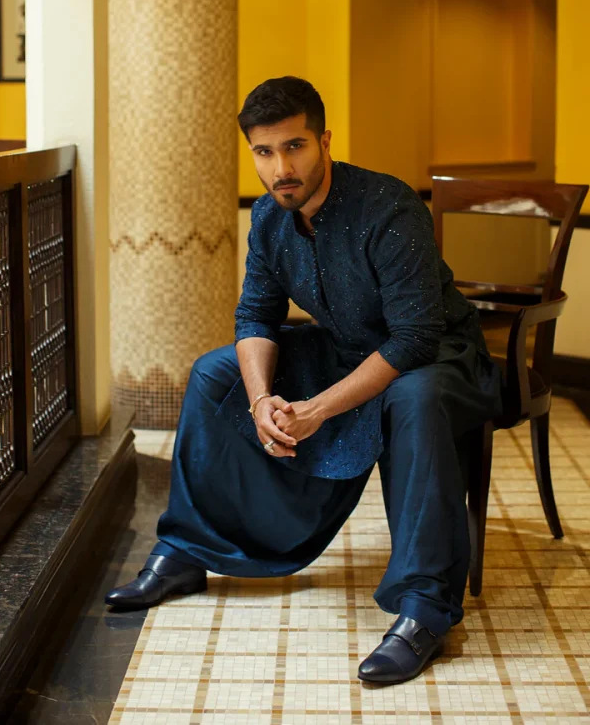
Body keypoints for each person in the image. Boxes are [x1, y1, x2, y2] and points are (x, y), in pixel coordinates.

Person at [106, 76, 503, 685]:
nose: (280, 168)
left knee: (413, 394)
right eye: (264, 152)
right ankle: (187, 550)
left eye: (294, 146)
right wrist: (262, 399)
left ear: (325, 141)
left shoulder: (389, 207)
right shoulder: (269, 216)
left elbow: (415, 339)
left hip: (443, 359)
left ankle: (424, 606)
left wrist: (316, 410)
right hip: (346, 350)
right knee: (215, 372)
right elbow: (255, 316)